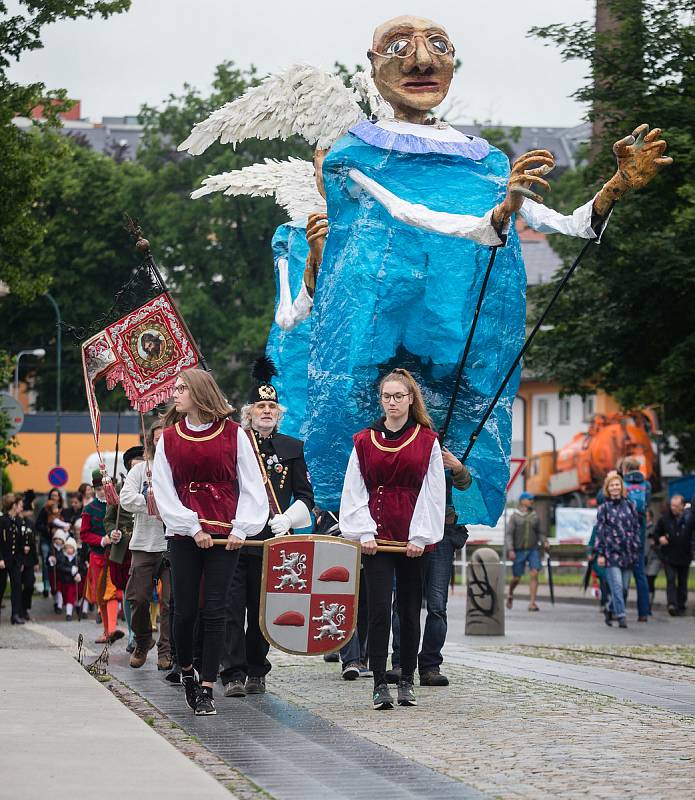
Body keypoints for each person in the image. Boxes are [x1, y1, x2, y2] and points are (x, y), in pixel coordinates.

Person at [152, 368, 268, 717]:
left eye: (182, 388)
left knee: (217, 609)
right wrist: (190, 526)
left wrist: (241, 529)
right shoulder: (169, 439)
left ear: (200, 392)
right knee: (185, 611)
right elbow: (164, 488)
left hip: (225, 535)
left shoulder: (234, 435)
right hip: (186, 536)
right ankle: (187, 669)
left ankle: (206, 687)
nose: (176, 393)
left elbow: (250, 485)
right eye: (175, 387)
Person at [340, 368, 445, 710]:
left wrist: (421, 536)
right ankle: (380, 683)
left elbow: (433, 492)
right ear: (381, 400)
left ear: (411, 399)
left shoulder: (427, 440)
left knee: (411, 610)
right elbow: (354, 491)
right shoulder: (364, 441)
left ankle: (407, 680)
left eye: (399, 396)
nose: (392, 402)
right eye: (387, 396)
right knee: (379, 610)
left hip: (413, 540)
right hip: (377, 538)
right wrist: (364, 532)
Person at [220, 357, 314, 698]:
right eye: (260, 405)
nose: (266, 411)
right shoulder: (236, 444)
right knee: (232, 609)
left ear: (279, 412)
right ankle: (232, 672)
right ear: (249, 411)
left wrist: (288, 518)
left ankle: (257, 669)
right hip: (238, 539)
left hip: (274, 542)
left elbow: (306, 496)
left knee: (263, 610)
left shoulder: (293, 448)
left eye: (271, 405)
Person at [121, 429, 173, 670]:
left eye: (166, 436)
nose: (161, 440)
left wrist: (168, 505)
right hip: (144, 543)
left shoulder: (178, 467)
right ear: (151, 440)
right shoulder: (140, 470)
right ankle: (143, 641)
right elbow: (126, 498)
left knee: (170, 601)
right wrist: (149, 501)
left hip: (172, 543)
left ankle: (166, 651)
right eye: (157, 437)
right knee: (138, 598)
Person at [104, 445, 143, 655]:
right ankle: (132, 633)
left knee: (147, 594)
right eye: (134, 464)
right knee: (130, 594)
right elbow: (109, 520)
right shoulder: (118, 489)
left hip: (150, 544)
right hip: (126, 548)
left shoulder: (155, 483)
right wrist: (113, 532)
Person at [80, 470, 124, 644]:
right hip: (98, 556)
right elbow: (84, 534)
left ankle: (112, 629)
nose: (101, 490)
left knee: (112, 592)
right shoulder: (89, 509)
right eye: (98, 487)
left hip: (116, 556)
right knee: (101, 595)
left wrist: (119, 534)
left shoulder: (119, 505)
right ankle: (107, 631)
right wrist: (101, 540)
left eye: (104, 487)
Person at [594, 472, 642, 628]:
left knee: (626, 589)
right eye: (612, 485)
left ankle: (610, 608)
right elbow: (599, 531)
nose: (615, 487)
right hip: (611, 552)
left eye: (617, 485)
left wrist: (636, 545)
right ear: (607, 488)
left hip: (628, 552)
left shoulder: (630, 505)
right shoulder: (604, 508)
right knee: (617, 586)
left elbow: (636, 528)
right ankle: (621, 616)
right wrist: (600, 553)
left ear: (622, 487)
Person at [506, 492, 548, 612]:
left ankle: (532, 603)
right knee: (517, 578)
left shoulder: (534, 516)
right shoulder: (514, 516)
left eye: (532, 499)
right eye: (529, 499)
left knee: (534, 572)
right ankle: (510, 593)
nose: (531, 501)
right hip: (518, 551)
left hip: (533, 550)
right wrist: (511, 549)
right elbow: (509, 534)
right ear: (522, 501)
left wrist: (544, 541)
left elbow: (540, 532)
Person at [621, 457, 652, 621]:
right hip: (639, 536)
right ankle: (643, 613)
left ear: (625, 468)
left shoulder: (622, 484)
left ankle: (620, 610)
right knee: (640, 575)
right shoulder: (646, 485)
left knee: (622, 575)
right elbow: (647, 505)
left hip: (625, 537)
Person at [655, 494, 692, 616]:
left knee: (683, 581)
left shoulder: (689, 518)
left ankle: (681, 604)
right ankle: (671, 604)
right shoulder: (665, 518)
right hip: (669, 556)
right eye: (672, 505)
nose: (673, 508)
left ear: (682, 506)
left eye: (676, 506)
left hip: (684, 555)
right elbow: (656, 533)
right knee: (670, 579)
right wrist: (659, 538)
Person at [0, 493, 27, 624]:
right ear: (13, 505)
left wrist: (21, 560)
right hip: (3, 560)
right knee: (1, 585)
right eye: (19, 505)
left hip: (15, 560)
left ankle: (15, 615)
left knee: (16, 586)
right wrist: (0, 559)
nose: (20, 508)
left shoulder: (18, 521)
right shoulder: (2, 521)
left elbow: (20, 543)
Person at [35, 488, 67, 597]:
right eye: (52, 495)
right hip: (46, 539)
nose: (54, 498)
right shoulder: (45, 509)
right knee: (46, 562)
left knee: (60, 562)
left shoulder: (62, 510)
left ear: (59, 497)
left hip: (59, 541)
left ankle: (57, 587)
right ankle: (46, 586)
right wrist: (48, 529)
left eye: (56, 496)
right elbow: (38, 525)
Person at [19, 491, 38, 621]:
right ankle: (19, 610)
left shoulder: (31, 523)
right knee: (18, 585)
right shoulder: (16, 523)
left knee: (30, 584)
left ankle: (25, 608)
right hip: (18, 559)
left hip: (30, 560)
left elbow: (33, 543)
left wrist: (36, 561)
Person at [55, 536, 83, 620]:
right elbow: (60, 567)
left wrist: (78, 574)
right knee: (66, 597)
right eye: (67, 548)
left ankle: (69, 614)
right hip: (64, 581)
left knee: (71, 596)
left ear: (74, 548)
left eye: (71, 548)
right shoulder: (63, 557)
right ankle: (66, 608)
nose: (69, 550)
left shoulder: (77, 558)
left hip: (73, 582)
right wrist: (70, 570)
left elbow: (81, 568)